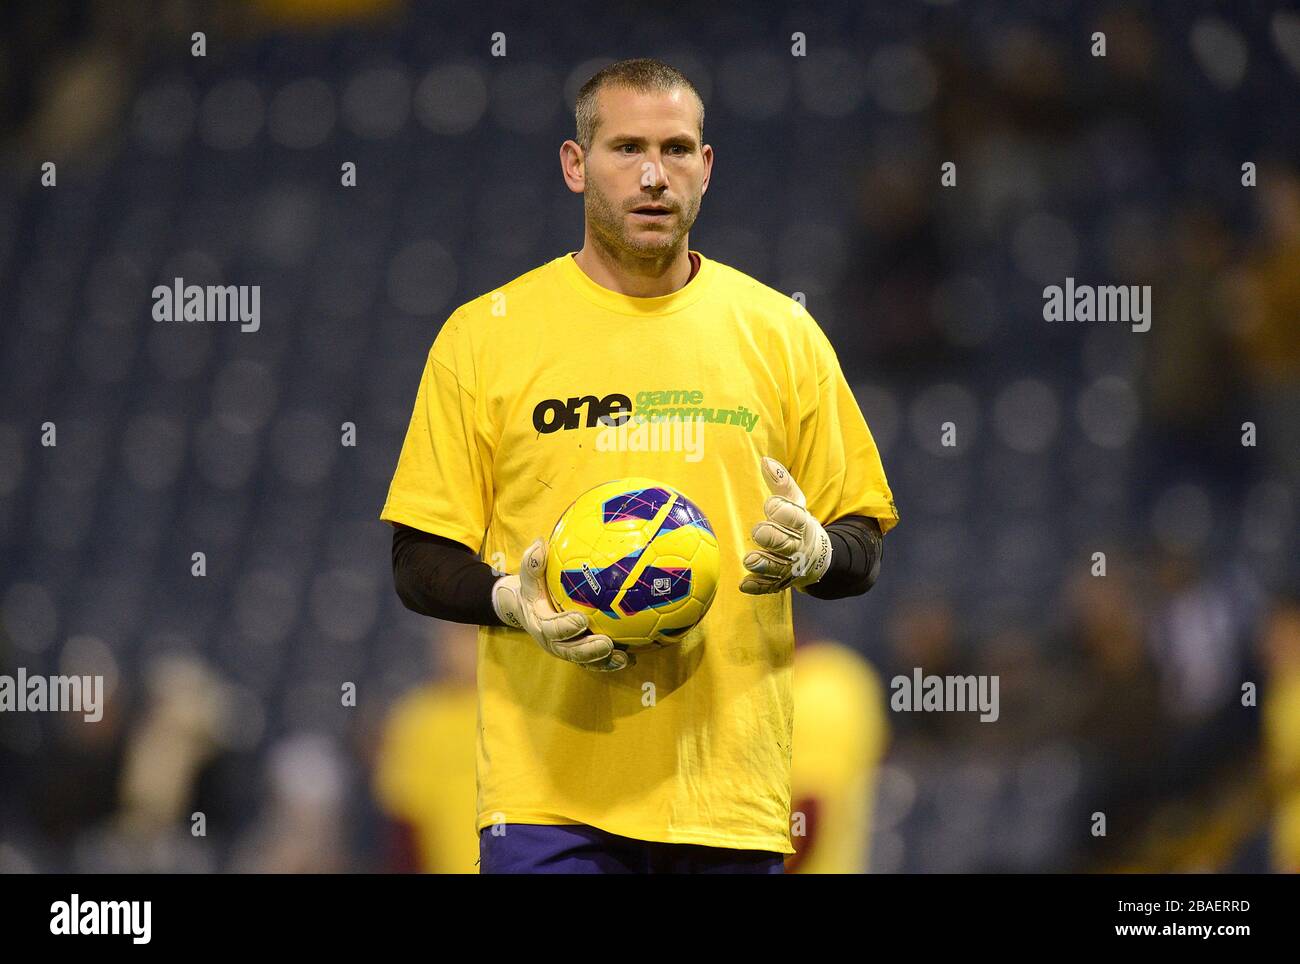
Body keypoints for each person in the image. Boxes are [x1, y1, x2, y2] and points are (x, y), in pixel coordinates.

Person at [380, 58, 898, 874]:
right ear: (575, 165)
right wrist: (509, 602)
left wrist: (820, 552)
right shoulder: (485, 338)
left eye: (677, 148)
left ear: (707, 166)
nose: (654, 175)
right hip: (545, 804)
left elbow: (861, 539)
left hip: (727, 806)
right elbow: (416, 560)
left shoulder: (781, 334)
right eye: (626, 149)